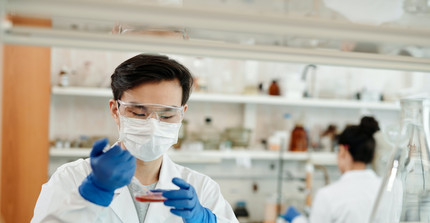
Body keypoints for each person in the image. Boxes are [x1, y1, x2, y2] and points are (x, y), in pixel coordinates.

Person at [31, 54, 239, 223]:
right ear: (115, 110)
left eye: (166, 115)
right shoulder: (72, 178)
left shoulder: (202, 189)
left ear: (182, 114)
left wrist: (204, 220)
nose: (153, 124)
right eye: (139, 113)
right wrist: (90, 197)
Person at [282, 116, 382, 223]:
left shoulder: (327, 195)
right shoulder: (390, 189)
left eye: (338, 151)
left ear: (343, 151)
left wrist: (297, 219)